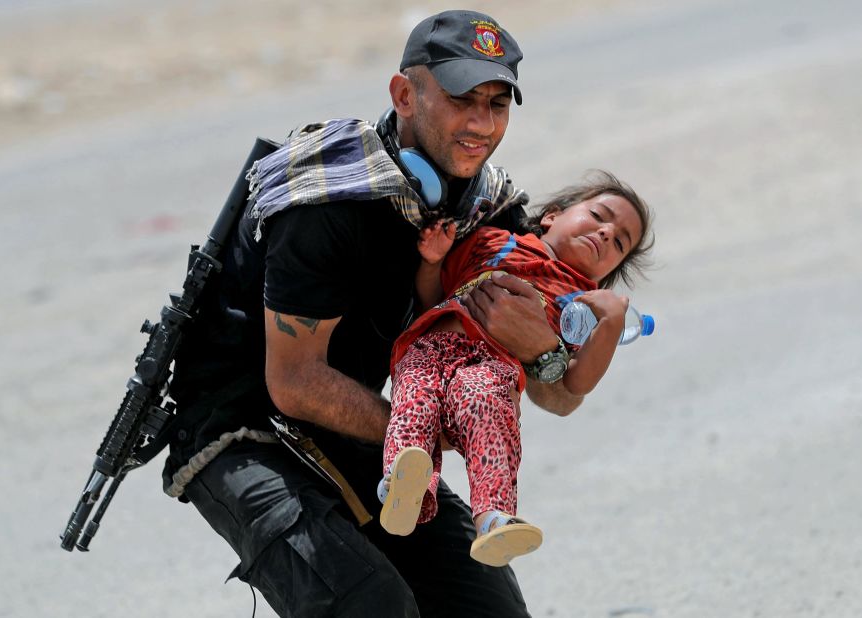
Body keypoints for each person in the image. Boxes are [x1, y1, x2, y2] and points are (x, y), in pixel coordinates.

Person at [161, 10, 581, 618]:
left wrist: (545, 351)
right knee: (370, 605)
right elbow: (295, 382)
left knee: (488, 609)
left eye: (498, 103)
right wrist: (430, 430)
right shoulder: (326, 199)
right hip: (239, 429)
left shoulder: (484, 209)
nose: (481, 124)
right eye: (463, 98)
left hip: (355, 419)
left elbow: (560, 396)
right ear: (404, 94)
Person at [378, 172, 654, 567]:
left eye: (621, 242)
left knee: (491, 416)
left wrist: (609, 324)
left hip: (492, 368)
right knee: (415, 398)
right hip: (432, 344)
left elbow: (575, 383)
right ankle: (403, 485)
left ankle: (494, 518)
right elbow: (432, 295)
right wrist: (432, 260)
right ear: (551, 217)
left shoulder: (580, 305)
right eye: (598, 215)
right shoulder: (492, 241)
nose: (608, 233)